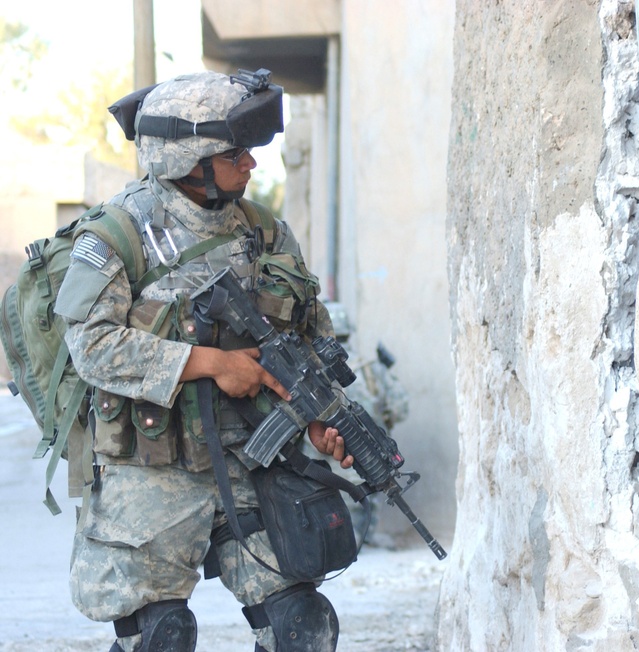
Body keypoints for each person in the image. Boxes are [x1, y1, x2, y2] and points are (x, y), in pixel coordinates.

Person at [53, 70, 352, 652]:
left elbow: (309, 339)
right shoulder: (117, 234)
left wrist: (321, 416)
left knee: (303, 626)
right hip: (151, 473)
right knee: (161, 637)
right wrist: (211, 363)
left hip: (251, 462)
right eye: (235, 153)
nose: (251, 166)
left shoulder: (264, 232)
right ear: (187, 160)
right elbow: (92, 346)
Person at [303, 302, 409, 545]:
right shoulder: (372, 368)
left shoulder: (309, 368)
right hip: (363, 468)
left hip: (319, 471)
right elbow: (400, 408)